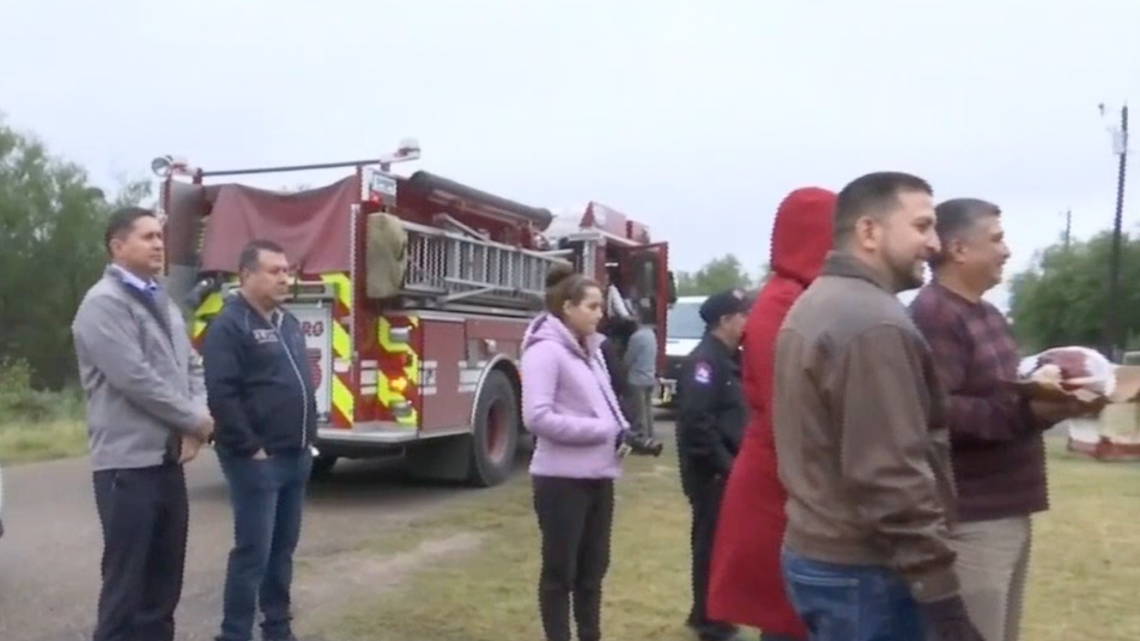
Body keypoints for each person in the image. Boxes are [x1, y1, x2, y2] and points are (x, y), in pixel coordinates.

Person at [772, 171, 983, 641]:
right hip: (867, 569)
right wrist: (942, 596)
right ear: (868, 231)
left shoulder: (819, 301)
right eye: (922, 226)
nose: (935, 244)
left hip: (824, 555)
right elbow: (889, 474)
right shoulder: (872, 323)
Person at [908, 198, 1083, 641]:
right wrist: (1028, 410)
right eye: (997, 239)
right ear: (959, 249)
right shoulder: (936, 315)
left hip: (1006, 509)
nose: (1006, 251)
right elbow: (936, 410)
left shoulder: (986, 313)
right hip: (971, 519)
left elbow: (1008, 399)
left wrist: (1057, 398)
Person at [71, 206, 214, 641]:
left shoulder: (161, 300)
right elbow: (136, 379)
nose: (158, 244)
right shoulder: (103, 304)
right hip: (127, 468)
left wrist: (195, 420)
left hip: (166, 464)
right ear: (118, 246)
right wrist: (194, 420)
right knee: (126, 591)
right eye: (147, 237)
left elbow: (192, 365)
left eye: (159, 236)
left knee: (163, 589)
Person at [707, 186, 837, 641]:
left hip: (790, 481)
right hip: (779, 486)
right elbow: (793, 409)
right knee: (788, 615)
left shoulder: (799, 297)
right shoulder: (782, 305)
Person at [202, 239, 318, 641]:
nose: (285, 278)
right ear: (246, 275)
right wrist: (251, 447)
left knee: (282, 550)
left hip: (296, 455)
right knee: (253, 553)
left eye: (287, 270)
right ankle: (234, 633)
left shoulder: (288, 323)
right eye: (274, 271)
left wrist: (308, 441)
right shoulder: (230, 326)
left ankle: (278, 629)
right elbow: (222, 393)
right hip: (256, 461)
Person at [521, 264, 630, 641]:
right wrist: (601, 431)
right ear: (568, 307)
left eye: (601, 306)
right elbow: (536, 417)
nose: (600, 314)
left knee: (593, 570)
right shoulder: (545, 351)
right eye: (592, 306)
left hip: (599, 476)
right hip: (560, 480)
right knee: (560, 572)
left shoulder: (591, 350)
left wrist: (622, 430)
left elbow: (607, 404)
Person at [676, 289, 750, 641]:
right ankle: (708, 619)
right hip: (712, 474)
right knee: (710, 546)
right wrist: (726, 467)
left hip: (728, 469)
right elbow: (697, 423)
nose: (748, 322)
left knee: (723, 546)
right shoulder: (705, 362)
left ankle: (713, 612)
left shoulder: (730, 359)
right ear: (724, 320)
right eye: (743, 315)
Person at [623, 310, 659, 438]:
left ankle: (641, 436)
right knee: (648, 410)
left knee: (638, 412)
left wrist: (622, 369)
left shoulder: (636, 337)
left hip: (636, 379)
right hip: (650, 376)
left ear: (639, 319)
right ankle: (650, 434)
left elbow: (629, 358)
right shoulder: (652, 335)